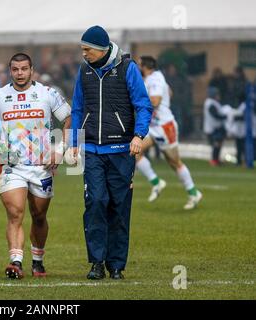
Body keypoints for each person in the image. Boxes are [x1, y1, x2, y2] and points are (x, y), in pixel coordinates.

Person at [0, 53, 72, 279]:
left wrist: (60, 150)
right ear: (10, 71)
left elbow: (69, 119)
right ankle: (16, 262)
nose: (19, 73)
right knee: (15, 212)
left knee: (39, 215)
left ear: (32, 70)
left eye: (24, 69)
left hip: (41, 167)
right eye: (15, 69)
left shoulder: (48, 94)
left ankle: (38, 261)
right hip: (12, 166)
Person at [70, 26, 152, 280]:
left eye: (87, 49)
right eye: (82, 49)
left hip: (121, 151)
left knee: (119, 207)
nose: (83, 54)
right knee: (95, 203)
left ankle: (116, 264)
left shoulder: (128, 69)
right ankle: (96, 263)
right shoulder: (83, 71)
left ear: (103, 49)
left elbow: (143, 104)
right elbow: (77, 108)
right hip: (92, 150)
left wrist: (139, 136)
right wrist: (74, 142)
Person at [136, 56, 202, 210]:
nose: (137, 67)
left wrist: (137, 101)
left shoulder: (155, 79)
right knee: (134, 151)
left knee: (174, 162)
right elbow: (170, 93)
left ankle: (193, 193)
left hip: (165, 126)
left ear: (146, 66)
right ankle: (156, 182)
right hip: (153, 126)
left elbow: (156, 101)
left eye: (139, 64)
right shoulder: (152, 79)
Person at [203, 86, 227, 166]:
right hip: (212, 128)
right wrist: (225, 117)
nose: (218, 96)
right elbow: (215, 115)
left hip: (216, 127)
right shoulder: (210, 103)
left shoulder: (214, 103)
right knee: (216, 144)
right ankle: (214, 160)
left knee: (218, 144)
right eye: (217, 94)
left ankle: (216, 159)